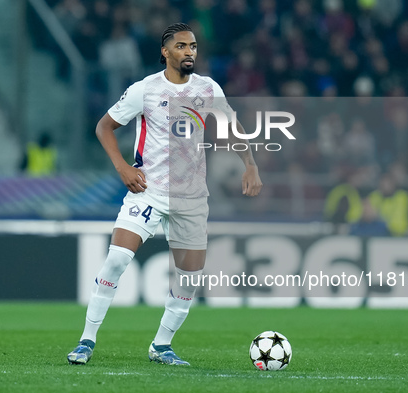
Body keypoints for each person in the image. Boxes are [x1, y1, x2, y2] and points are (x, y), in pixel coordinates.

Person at [67, 23, 262, 366]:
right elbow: (104, 126)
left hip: (191, 197)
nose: (190, 52)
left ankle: (161, 345)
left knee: (189, 279)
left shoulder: (208, 88)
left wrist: (250, 164)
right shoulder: (145, 90)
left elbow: (232, 126)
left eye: (194, 46)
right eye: (183, 46)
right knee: (117, 259)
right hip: (148, 190)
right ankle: (86, 340)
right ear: (165, 52)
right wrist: (123, 167)